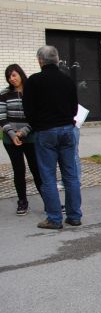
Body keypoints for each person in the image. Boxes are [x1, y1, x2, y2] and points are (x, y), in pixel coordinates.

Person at [22, 46, 82, 229]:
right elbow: (74, 108)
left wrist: (38, 125)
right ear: (57, 59)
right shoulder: (67, 80)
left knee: (48, 176)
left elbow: (28, 111)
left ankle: (54, 219)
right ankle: (74, 216)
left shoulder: (33, 81)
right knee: (70, 175)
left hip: (45, 132)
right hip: (67, 130)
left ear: (40, 60)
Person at [1, 64, 42, 216]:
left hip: (30, 137)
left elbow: (37, 115)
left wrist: (24, 131)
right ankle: (22, 202)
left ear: (20, 74)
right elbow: (2, 117)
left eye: (14, 75)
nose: (11, 79)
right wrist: (13, 135)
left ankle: (49, 201)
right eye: (9, 77)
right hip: (11, 139)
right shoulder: (4, 94)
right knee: (19, 171)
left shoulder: (32, 92)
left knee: (36, 170)